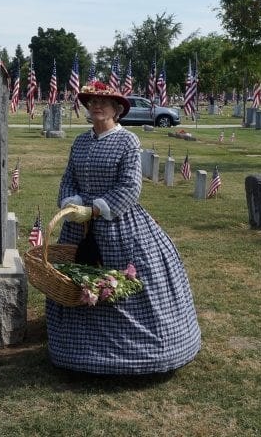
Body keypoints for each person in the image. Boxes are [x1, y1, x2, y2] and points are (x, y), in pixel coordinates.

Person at [46, 80, 202, 375]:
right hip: (79, 228)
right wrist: (71, 202)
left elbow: (130, 187)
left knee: (122, 282)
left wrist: (94, 209)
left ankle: (137, 352)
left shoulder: (128, 141)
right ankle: (76, 349)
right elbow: (69, 178)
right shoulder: (80, 142)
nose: (97, 106)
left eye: (104, 103)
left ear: (117, 109)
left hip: (118, 226)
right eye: (92, 102)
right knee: (77, 279)